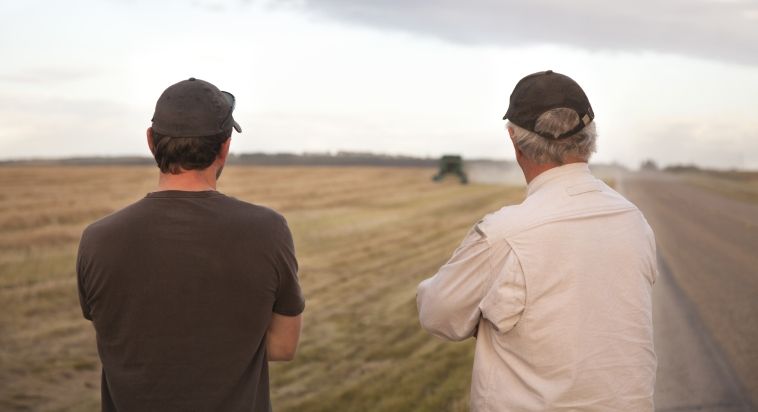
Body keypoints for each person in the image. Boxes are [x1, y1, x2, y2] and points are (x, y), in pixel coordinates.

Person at [417, 70, 657, 411]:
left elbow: (436, 314)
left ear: (515, 142)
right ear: (590, 138)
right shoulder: (634, 221)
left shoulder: (504, 235)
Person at [77, 78, 305, 412]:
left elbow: (117, 337)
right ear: (224, 148)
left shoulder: (97, 238)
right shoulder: (268, 230)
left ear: (151, 142)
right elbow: (284, 346)